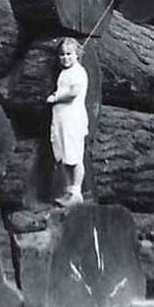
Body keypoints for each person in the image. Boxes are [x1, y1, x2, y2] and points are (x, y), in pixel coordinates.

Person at [46, 37, 88, 207]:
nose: (66, 58)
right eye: (62, 55)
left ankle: (77, 191)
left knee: (75, 155)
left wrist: (55, 97)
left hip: (73, 118)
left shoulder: (79, 71)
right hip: (61, 119)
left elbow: (74, 92)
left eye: (69, 54)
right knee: (63, 155)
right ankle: (69, 190)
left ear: (77, 54)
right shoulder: (64, 72)